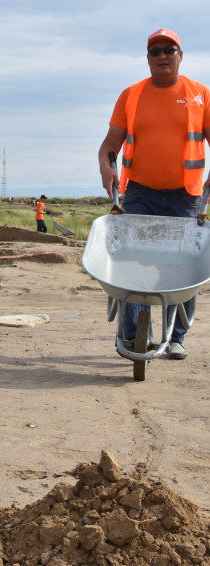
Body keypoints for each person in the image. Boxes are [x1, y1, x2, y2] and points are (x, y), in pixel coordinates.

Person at [98, 28, 210, 359]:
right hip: (139, 193)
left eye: (169, 49)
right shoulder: (131, 95)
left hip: (185, 195)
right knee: (131, 263)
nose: (162, 55)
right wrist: (106, 167)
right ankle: (133, 334)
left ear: (180, 56)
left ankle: (176, 337)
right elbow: (110, 145)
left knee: (183, 266)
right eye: (155, 51)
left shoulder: (200, 95)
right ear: (147, 58)